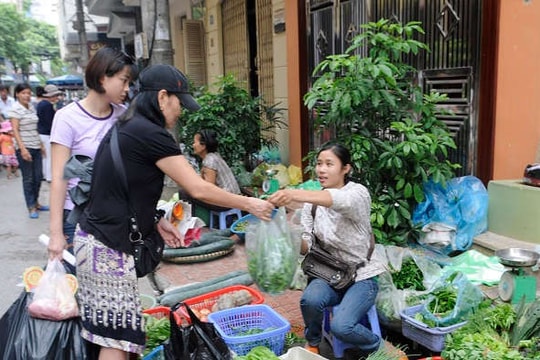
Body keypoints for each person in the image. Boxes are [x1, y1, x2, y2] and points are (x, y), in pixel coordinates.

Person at [47, 63, 274, 359]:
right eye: (180, 103)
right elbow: (199, 188)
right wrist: (251, 203)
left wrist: (155, 221)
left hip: (97, 242)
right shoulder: (151, 133)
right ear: (163, 97)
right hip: (108, 249)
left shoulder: (128, 125)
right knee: (116, 341)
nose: (180, 111)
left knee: (120, 336)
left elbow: (123, 188)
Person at [268, 142, 386, 356]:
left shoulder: (357, 194)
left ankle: (376, 345)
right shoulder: (311, 206)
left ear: (345, 168)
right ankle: (313, 342)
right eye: (319, 163)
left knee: (342, 327)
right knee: (309, 300)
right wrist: (287, 235)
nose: (321, 169)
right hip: (329, 273)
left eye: (329, 164)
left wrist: (293, 194)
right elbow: (307, 246)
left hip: (361, 277)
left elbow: (337, 200)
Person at [49, 47, 136, 252]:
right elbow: (59, 178)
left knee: (111, 281)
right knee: (77, 279)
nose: (127, 89)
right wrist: (56, 234)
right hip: (78, 217)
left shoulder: (124, 116)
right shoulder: (66, 118)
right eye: (124, 81)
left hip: (115, 217)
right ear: (103, 77)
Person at [8, 83, 47, 219]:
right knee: (28, 179)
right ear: (17, 94)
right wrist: (23, 149)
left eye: (29, 93)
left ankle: (36, 202)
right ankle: (31, 206)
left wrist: (41, 144)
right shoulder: (15, 110)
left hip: (36, 145)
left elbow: (35, 128)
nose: (27, 96)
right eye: (24, 93)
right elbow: (15, 131)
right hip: (24, 147)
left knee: (38, 177)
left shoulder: (31, 107)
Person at [37, 84, 62, 182]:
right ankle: (49, 176)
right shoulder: (47, 105)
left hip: (41, 133)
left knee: (45, 157)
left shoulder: (41, 104)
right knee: (49, 156)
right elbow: (49, 122)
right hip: (46, 134)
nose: (56, 97)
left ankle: (44, 174)